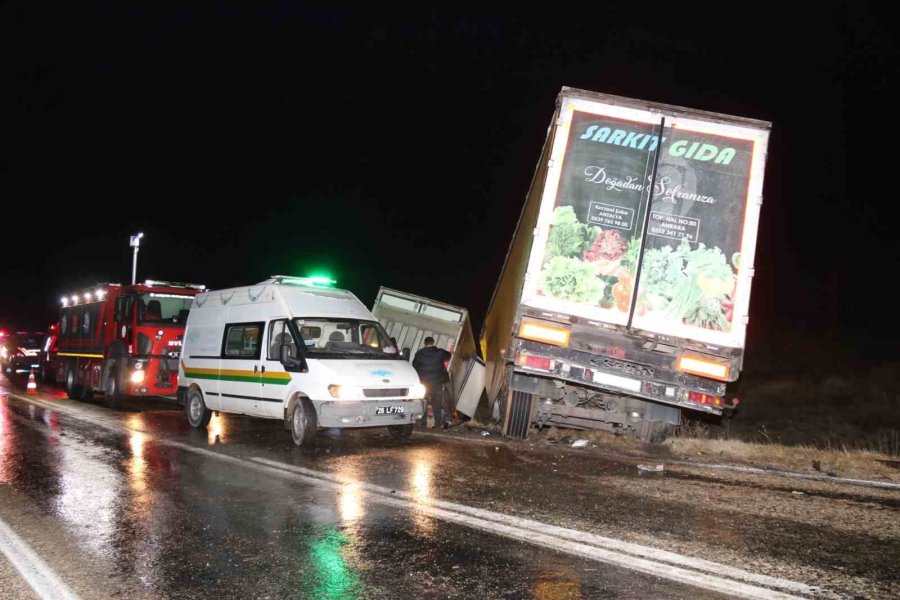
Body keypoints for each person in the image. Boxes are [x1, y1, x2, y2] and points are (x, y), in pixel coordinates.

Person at [412, 337, 451, 429]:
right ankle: (437, 424)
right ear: (433, 342)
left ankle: (423, 423)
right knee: (436, 404)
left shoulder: (419, 354)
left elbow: (414, 365)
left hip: (423, 384)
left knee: (423, 403)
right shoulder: (440, 352)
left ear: (424, 343)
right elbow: (448, 355)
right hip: (436, 383)